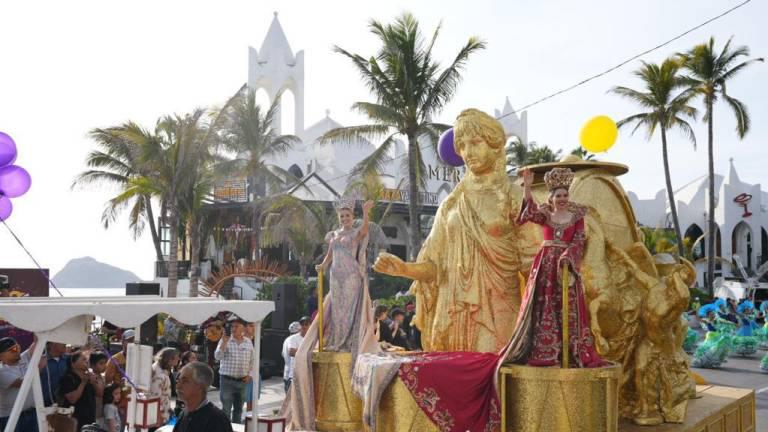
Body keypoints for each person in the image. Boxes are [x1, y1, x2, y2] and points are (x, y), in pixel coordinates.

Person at [373, 109, 525, 353]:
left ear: (495, 145)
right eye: (462, 146)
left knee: (495, 379)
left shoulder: (514, 198)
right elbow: (434, 267)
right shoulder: (451, 205)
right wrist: (404, 269)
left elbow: (533, 264)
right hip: (452, 313)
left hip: (499, 312)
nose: (468, 153)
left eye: (475, 143)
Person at [287, 198, 380, 430]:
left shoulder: (356, 232)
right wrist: (322, 266)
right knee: (337, 310)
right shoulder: (334, 236)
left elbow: (365, 231)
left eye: (348, 215)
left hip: (351, 276)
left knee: (349, 308)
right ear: (339, 218)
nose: (345, 219)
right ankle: (337, 340)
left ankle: (349, 340)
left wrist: (366, 213)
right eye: (342, 216)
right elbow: (329, 255)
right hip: (336, 276)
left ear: (352, 216)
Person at [501, 167, 603, 367]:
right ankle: (545, 350)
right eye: (558, 195)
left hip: (566, 267)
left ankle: (570, 351)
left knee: (567, 305)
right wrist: (527, 188)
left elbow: (579, 240)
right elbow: (527, 215)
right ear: (552, 197)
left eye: (565, 195)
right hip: (546, 265)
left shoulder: (577, 216)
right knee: (544, 304)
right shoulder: (545, 213)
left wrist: (567, 256)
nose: (562, 198)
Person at [174, 362, 233, 432]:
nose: (178, 386)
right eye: (178, 380)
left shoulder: (216, 420)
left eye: (185, 381)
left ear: (200, 387)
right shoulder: (184, 414)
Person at [214, 318, 253, 424]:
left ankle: (236, 428)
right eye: (232, 326)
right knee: (226, 409)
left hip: (242, 381)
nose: (233, 328)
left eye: (236, 326)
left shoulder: (248, 341)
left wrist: (250, 375)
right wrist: (224, 343)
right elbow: (217, 357)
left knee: (239, 410)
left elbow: (252, 361)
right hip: (227, 381)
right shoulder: (225, 340)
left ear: (243, 328)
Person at [0, 336, 42, 432]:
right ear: (1, 356)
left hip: (31, 413)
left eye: (18, 347)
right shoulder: (2, 371)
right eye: (13, 350)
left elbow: (38, 342)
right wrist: (37, 368)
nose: (17, 350)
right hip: (12, 417)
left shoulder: (23, 357)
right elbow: (24, 383)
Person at [58, 350, 98, 431]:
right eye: (83, 359)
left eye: (86, 359)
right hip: (75, 420)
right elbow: (72, 399)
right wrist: (83, 382)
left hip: (89, 419)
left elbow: (100, 394)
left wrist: (94, 382)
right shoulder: (68, 378)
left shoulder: (88, 376)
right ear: (73, 364)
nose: (86, 361)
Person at [104, 329, 134, 430]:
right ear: (123, 342)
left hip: (136, 399)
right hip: (120, 401)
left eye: (134, 341)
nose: (132, 343)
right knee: (119, 428)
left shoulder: (140, 358)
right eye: (129, 340)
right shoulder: (114, 359)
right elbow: (107, 380)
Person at [149, 348, 180, 430]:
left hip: (162, 413)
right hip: (157, 417)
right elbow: (154, 397)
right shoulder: (159, 375)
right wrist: (159, 416)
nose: (179, 359)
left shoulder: (162, 370)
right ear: (170, 359)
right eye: (177, 357)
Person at [281, 318, 309, 392]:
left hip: (295, 374)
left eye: (306, 324)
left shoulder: (287, 339)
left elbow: (283, 354)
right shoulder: (291, 339)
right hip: (291, 375)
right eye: (302, 325)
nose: (304, 327)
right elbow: (291, 352)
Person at [41, 341, 70, 406]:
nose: (65, 343)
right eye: (61, 340)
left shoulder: (68, 360)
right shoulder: (40, 361)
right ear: (51, 344)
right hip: (45, 406)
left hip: (67, 405)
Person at [89, 352, 108, 426]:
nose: (104, 366)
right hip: (94, 411)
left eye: (105, 363)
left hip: (100, 411)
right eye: (101, 363)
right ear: (92, 365)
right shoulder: (93, 377)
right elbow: (100, 393)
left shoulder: (101, 376)